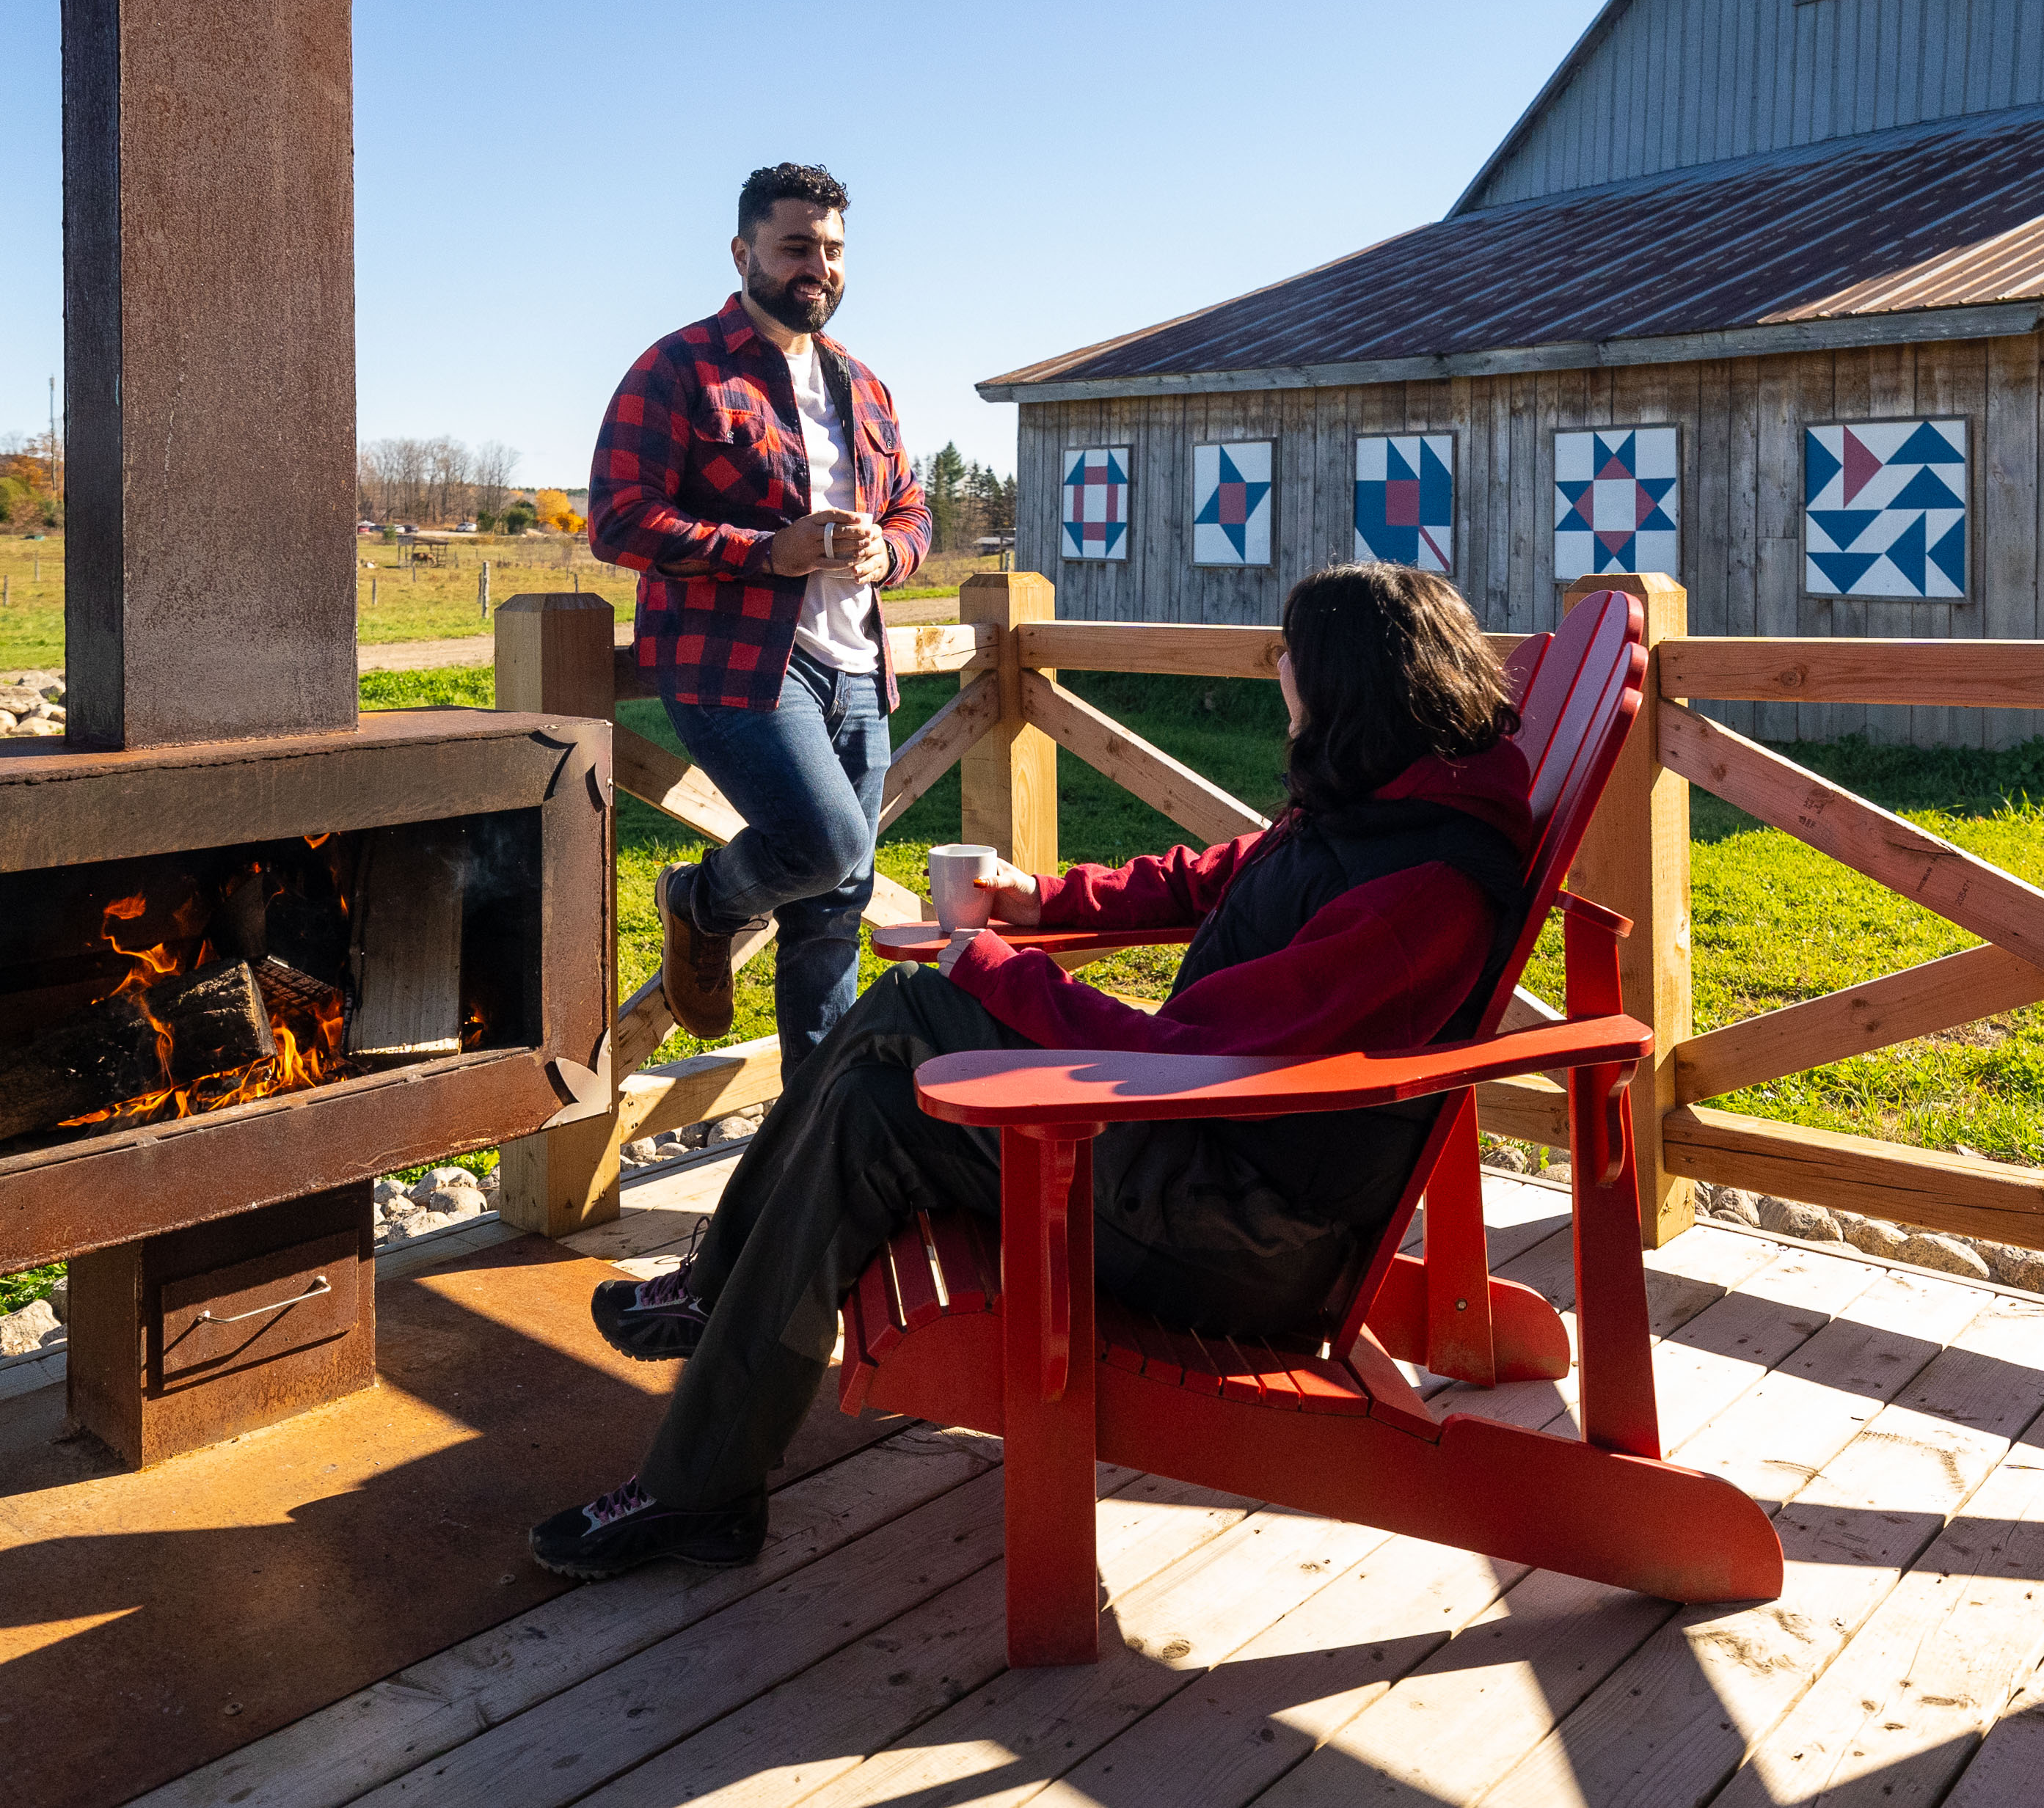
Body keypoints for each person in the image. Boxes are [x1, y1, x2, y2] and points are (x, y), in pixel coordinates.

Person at [530, 561, 1535, 1582]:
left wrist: (999, 970)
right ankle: (704, 1478)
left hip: (1247, 1235)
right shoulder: (1382, 801)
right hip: (1199, 1160)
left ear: (1347, 684)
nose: (1278, 671)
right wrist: (1039, 902)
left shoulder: (1425, 891)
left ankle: (714, 1317)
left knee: (923, 1005)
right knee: (877, 1106)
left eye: (1291, 656)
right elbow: (1214, 876)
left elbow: (1198, 1059)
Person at [589, 163, 935, 1064]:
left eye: (831, 250)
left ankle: (813, 1137)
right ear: (743, 252)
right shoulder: (679, 368)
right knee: (826, 847)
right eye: (793, 247)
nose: (816, 266)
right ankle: (698, 901)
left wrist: (887, 553)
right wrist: (762, 552)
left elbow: (911, 511)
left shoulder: (865, 385)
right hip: (735, 664)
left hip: (856, 665)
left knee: (832, 912)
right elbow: (618, 517)